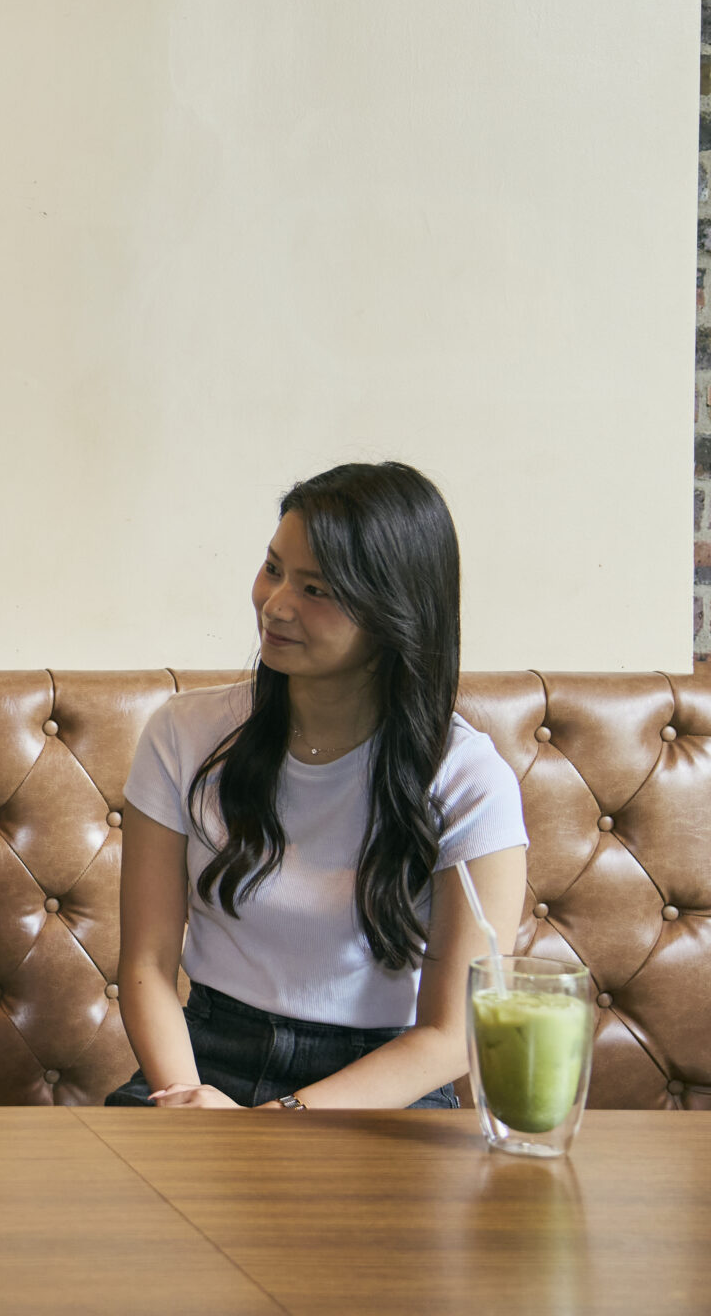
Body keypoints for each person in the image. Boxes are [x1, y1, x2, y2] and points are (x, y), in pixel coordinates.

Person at [110, 461, 530, 1110]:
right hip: (206, 1061)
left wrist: (277, 1122)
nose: (276, 604)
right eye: (273, 568)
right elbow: (146, 963)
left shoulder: (469, 781)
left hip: (382, 1086)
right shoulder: (184, 734)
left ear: (394, 614)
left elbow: (451, 1035)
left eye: (316, 589)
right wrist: (188, 1100)